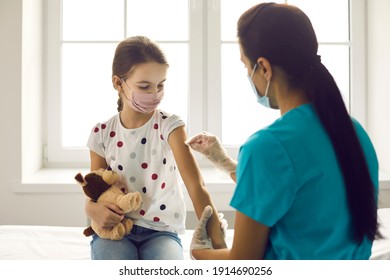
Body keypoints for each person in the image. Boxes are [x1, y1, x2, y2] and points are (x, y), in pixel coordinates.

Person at [187, 2, 381, 260]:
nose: (248, 74)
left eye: (246, 67)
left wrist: (202, 253)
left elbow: (243, 263)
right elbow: (302, 193)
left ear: (264, 68)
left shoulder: (267, 145)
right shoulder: (353, 132)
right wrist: (224, 161)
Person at [85, 36, 226, 260]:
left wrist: (220, 246)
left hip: (162, 234)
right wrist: (91, 210)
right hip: (116, 232)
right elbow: (95, 190)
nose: (155, 93)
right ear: (118, 83)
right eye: (144, 86)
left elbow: (196, 186)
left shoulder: (171, 126)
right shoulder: (101, 133)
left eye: (161, 85)